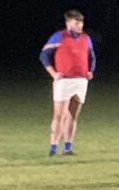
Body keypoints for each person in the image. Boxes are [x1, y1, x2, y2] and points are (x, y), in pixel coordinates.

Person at [40, 9, 96, 156]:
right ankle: (53, 147)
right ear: (68, 23)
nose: (80, 25)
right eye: (76, 23)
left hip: (80, 80)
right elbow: (44, 55)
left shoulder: (86, 38)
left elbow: (92, 56)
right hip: (64, 80)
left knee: (72, 115)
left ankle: (68, 147)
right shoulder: (59, 36)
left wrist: (90, 70)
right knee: (59, 115)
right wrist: (53, 73)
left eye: (81, 23)